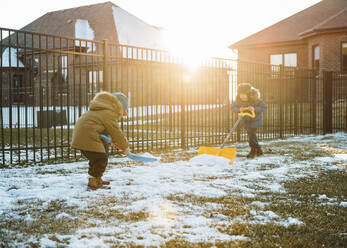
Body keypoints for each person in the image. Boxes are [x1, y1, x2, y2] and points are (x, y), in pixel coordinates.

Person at [71, 91, 130, 189]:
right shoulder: (108, 113)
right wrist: (125, 147)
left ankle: (97, 178)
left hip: (84, 137)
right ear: (119, 107)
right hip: (88, 137)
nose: (120, 116)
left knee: (96, 159)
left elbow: (101, 128)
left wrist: (109, 140)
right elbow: (116, 132)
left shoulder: (100, 110)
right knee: (101, 158)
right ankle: (94, 180)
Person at [231, 83, 267, 159]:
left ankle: (253, 150)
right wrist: (239, 109)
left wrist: (255, 109)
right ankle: (258, 150)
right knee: (251, 135)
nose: (242, 96)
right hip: (246, 120)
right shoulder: (239, 101)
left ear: (249, 94)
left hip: (255, 120)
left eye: (244, 94)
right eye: (241, 94)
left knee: (252, 135)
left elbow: (264, 107)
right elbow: (233, 107)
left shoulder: (256, 100)